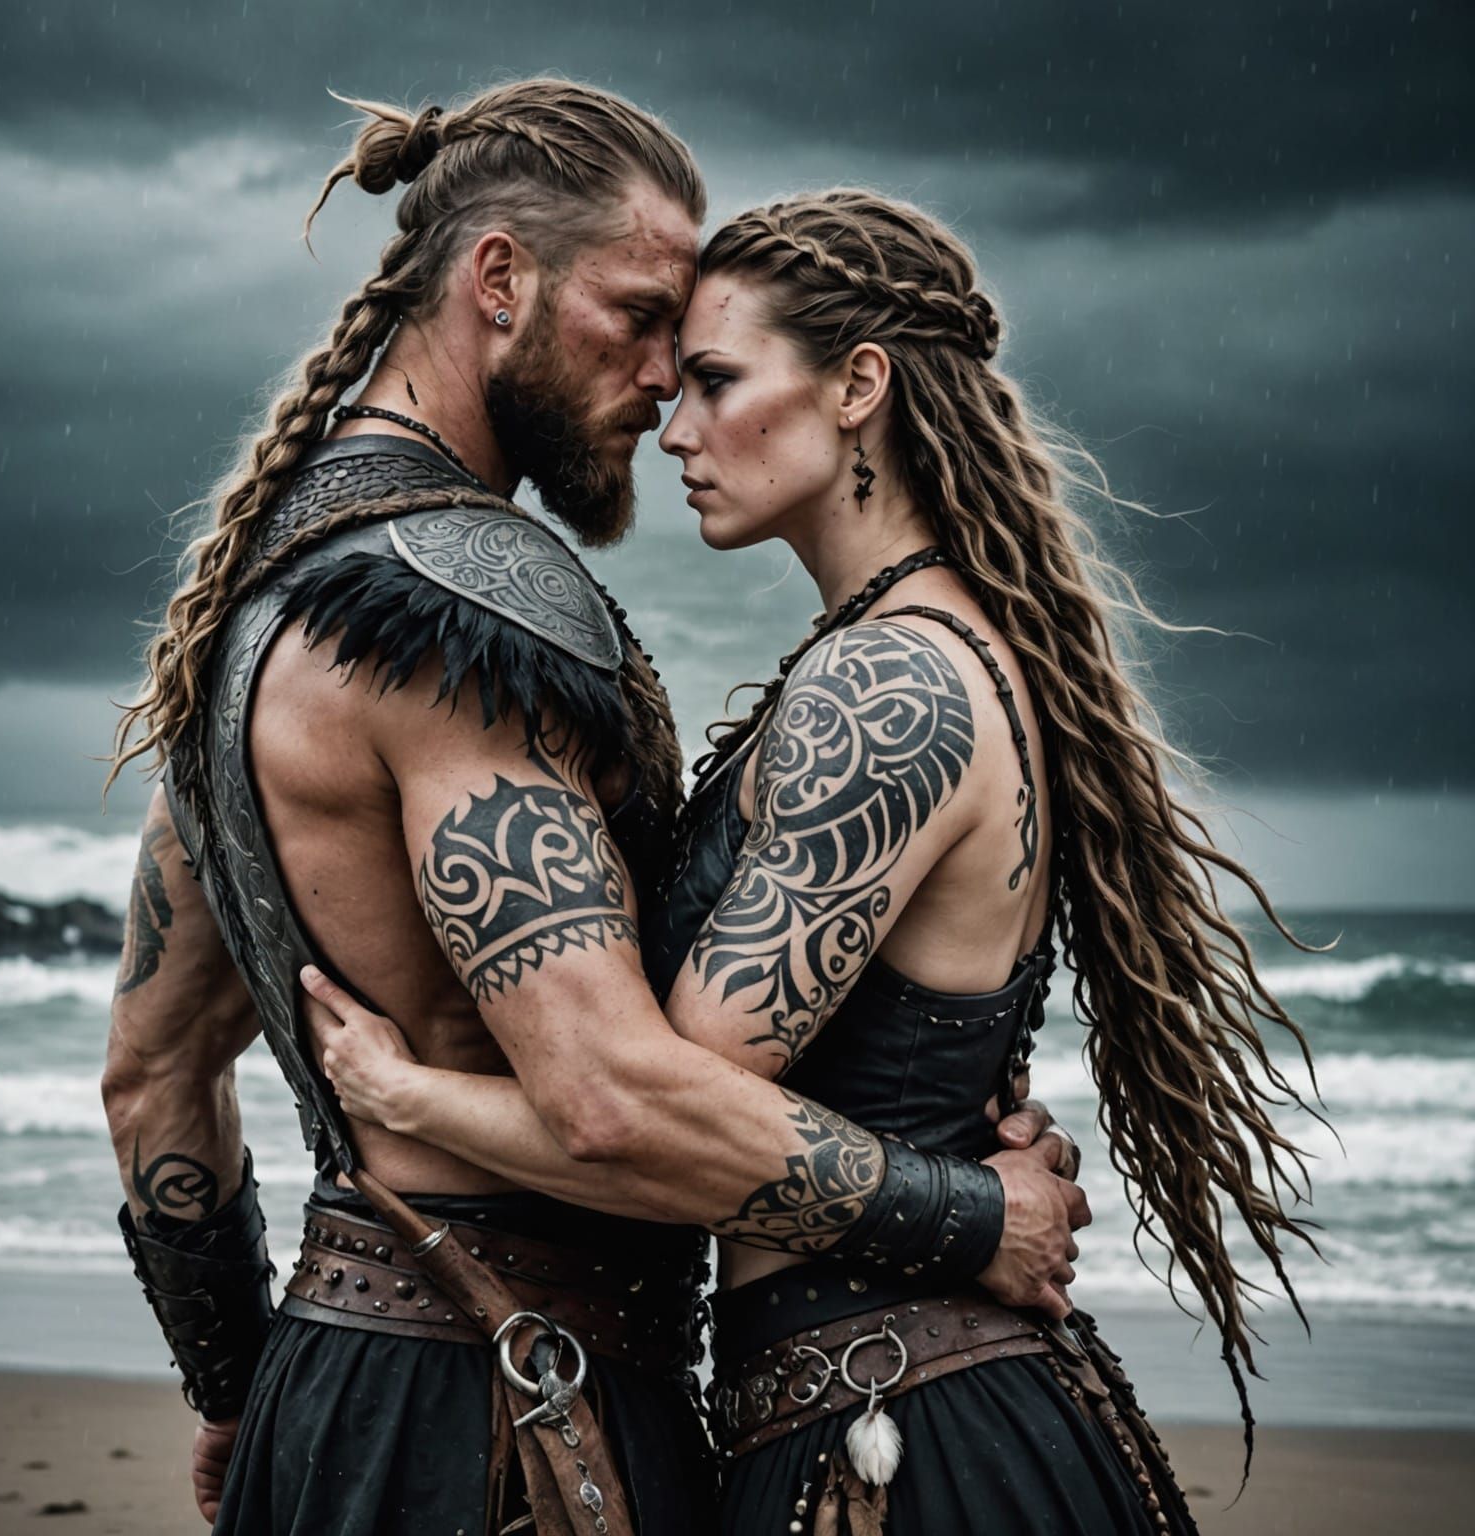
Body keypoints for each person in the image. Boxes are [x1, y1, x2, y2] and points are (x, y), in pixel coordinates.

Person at [101, 87, 1084, 1536]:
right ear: (499, 282)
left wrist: (240, 1388)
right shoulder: (461, 609)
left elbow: (150, 1076)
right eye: (635, 318)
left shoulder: (246, 614)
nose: (658, 382)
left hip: (327, 1389)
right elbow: (618, 1098)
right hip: (521, 1410)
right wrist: (972, 1214)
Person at [309, 188, 1325, 1534]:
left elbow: (646, 1122)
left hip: (900, 1442)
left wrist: (404, 1100)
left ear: (859, 386)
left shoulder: (888, 686)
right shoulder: (931, 648)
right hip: (910, 1402)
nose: (674, 427)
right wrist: (975, 1194)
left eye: (718, 381)